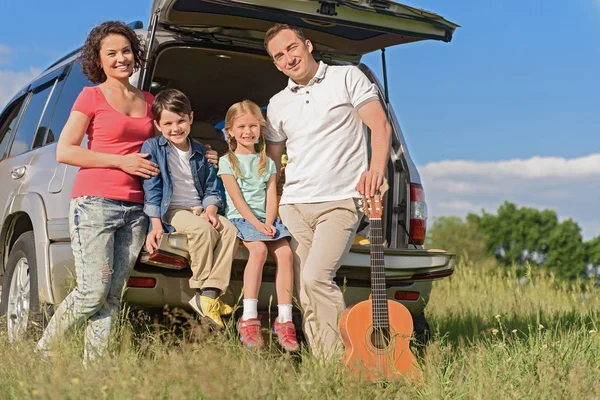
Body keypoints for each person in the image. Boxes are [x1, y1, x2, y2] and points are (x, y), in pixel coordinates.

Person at [264, 24, 392, 358]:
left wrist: (375, 171)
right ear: (275, 64)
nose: (288, 58)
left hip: (340, 201)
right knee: (305, 290)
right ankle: (327, 370)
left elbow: (379, 125)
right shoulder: (277, 104)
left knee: (316, 277)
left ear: (307, 45)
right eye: (279, 56)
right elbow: (272, 166)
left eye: (292, 48)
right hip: (293, 205)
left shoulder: (346, 77)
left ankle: (346, 362)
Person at [36, 21, 160, 362]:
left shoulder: (149, 101)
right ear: (99, 60)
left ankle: (95, 372)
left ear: (135, 54)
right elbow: (66, 150)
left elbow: (165, 146)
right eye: (112, 53)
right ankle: (44, 352)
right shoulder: (91, 95)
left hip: (136, 209)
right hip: (95, 204)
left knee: (113, 295)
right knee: (92, 291)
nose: (121, 58)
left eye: (126, 51)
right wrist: (122, 163)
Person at [142, 88, 238, 330]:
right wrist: (154, 224)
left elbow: (212, 188)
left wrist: (212, 211)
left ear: (191, 118)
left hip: (199, 207)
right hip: (172, 209)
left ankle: (209, 295)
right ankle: (202, 288)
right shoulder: (154, 148)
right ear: (158, 125)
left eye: (181, 121)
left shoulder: (201, 152)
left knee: (229, 230)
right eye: (169, 123)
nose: (176, 128)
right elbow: (152, 188)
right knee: (203, 231)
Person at [218, 100, 299, 352]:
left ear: (261, 129)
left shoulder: (268, 163)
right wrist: (256, 224)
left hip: (266, 219)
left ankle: (285, 320)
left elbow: (271, 194)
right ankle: (249, 317)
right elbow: (236, 199)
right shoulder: (227, 162)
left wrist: (269, 222)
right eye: (241, 126)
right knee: (259, 251)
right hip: (242, 218)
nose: (247, 131)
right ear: (230, 130)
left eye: (253, 126)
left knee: (285, 253)